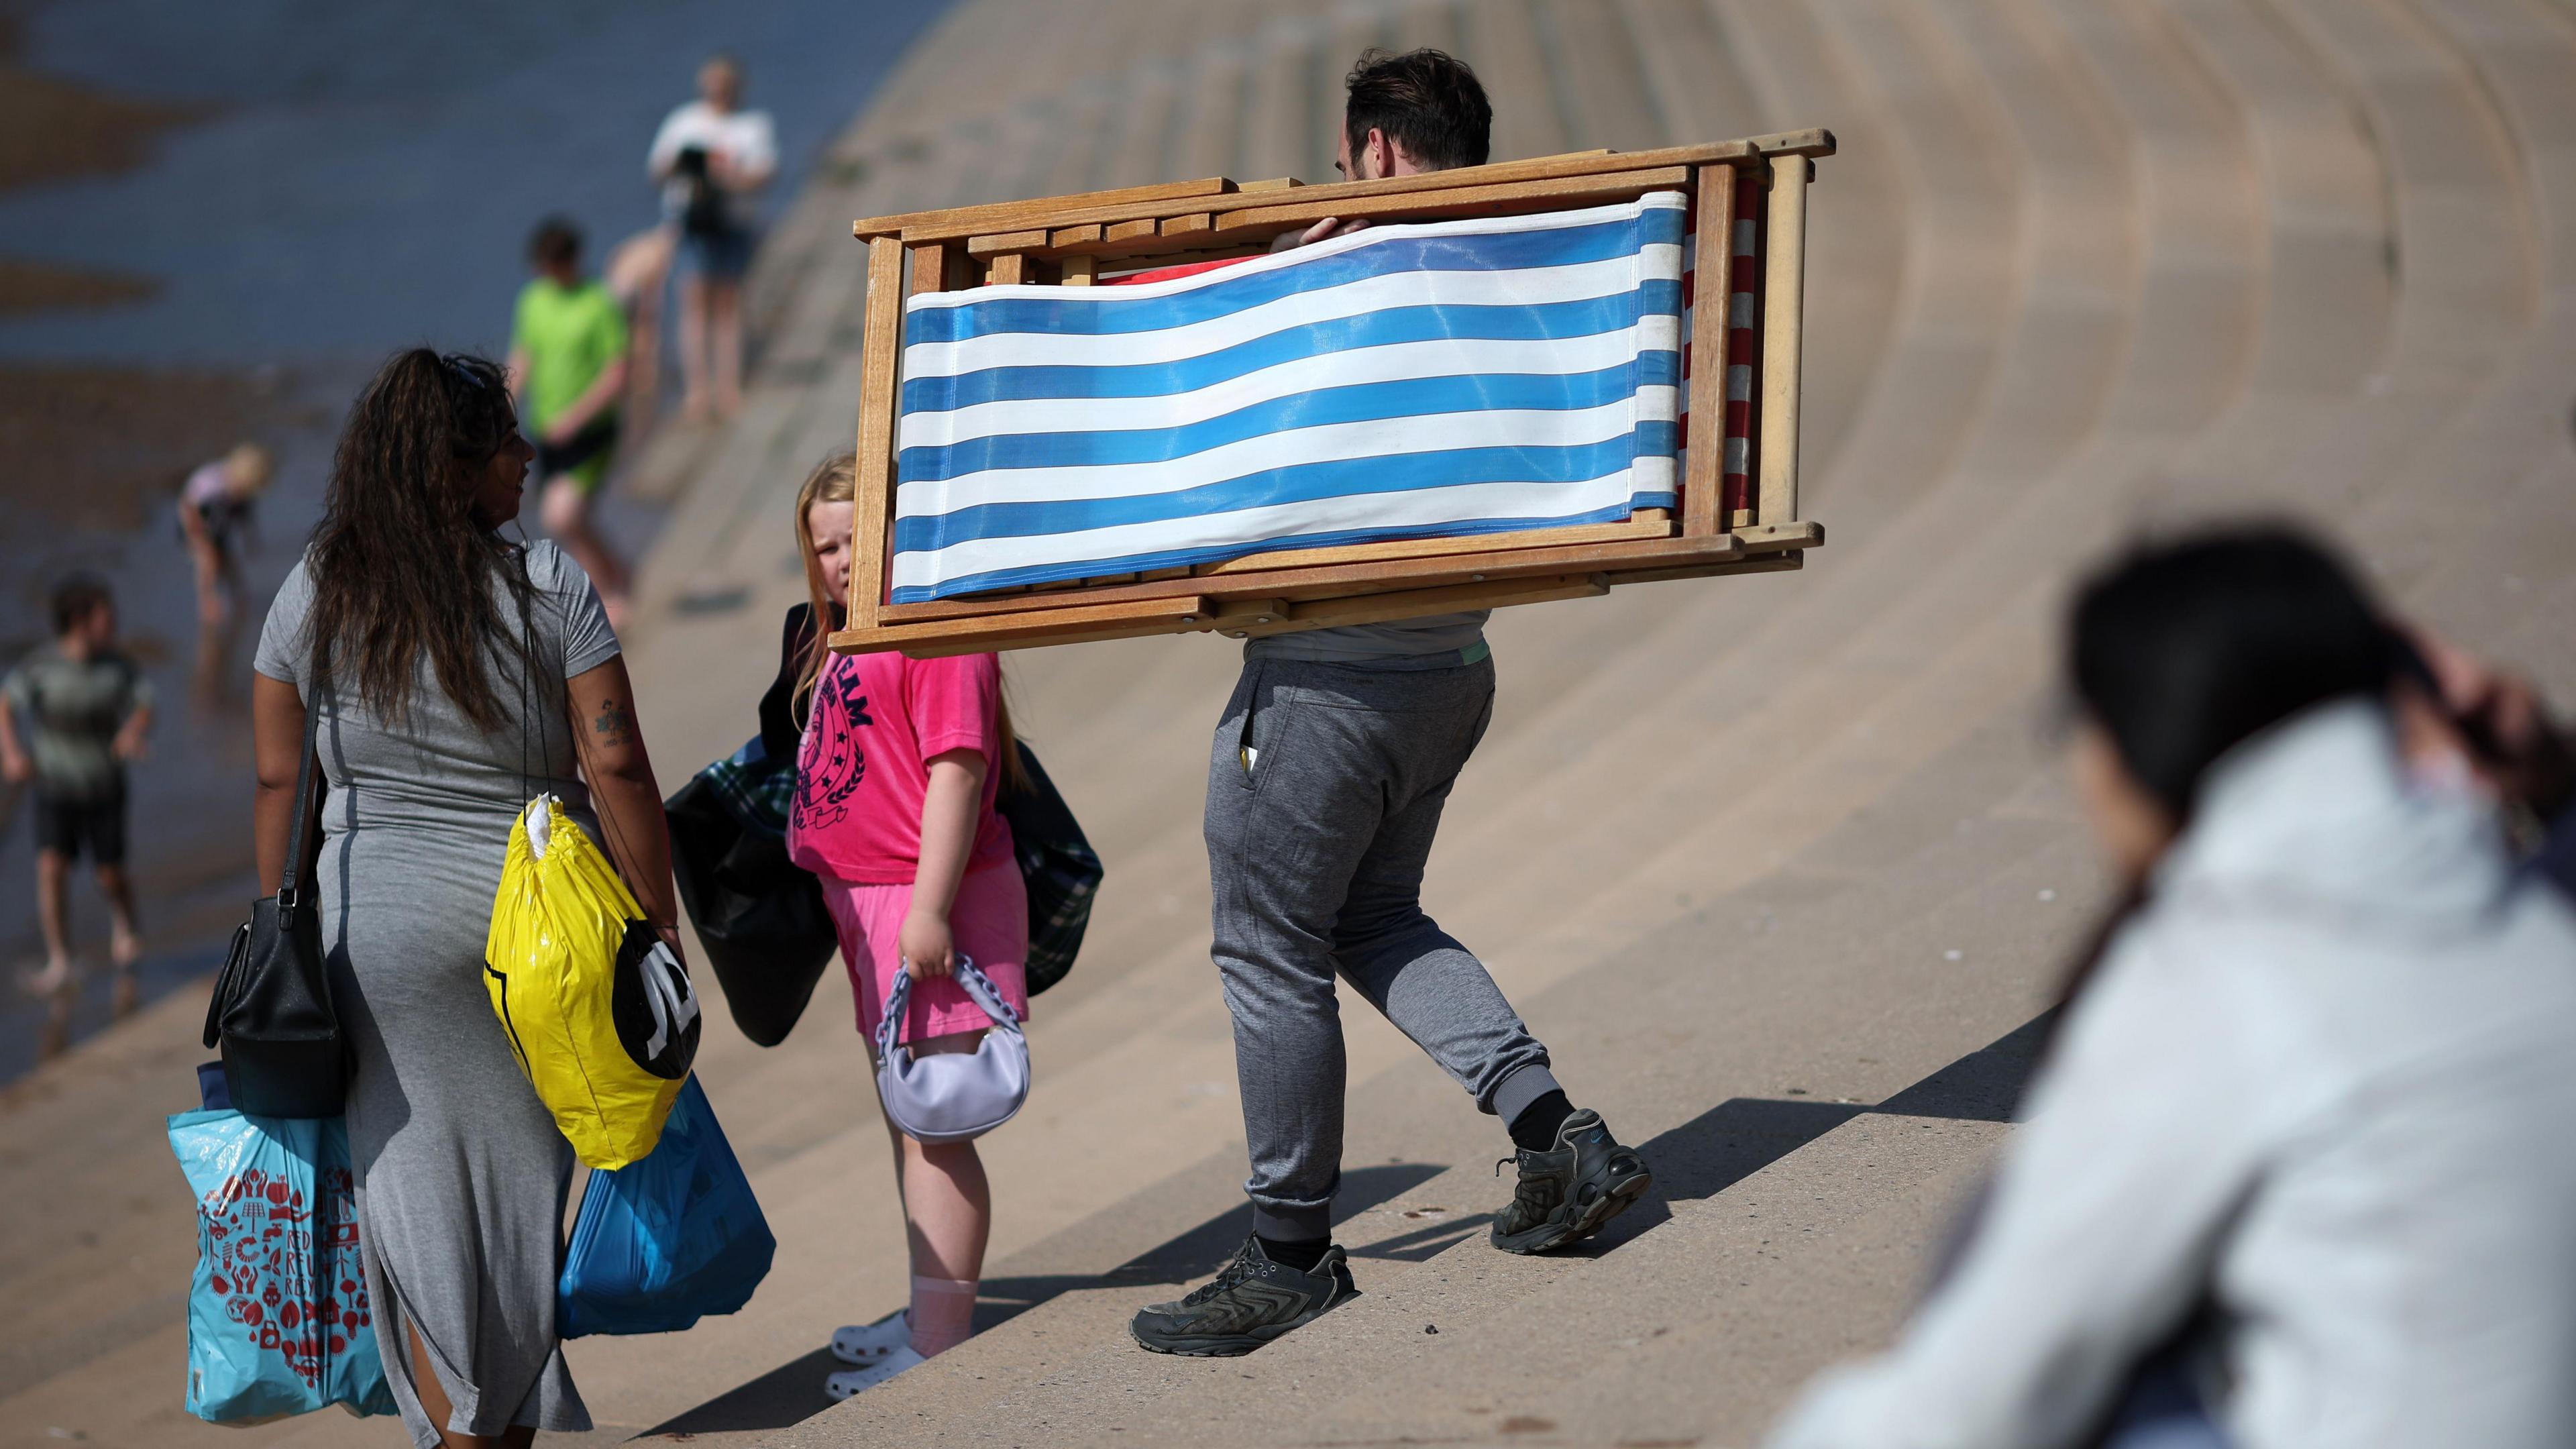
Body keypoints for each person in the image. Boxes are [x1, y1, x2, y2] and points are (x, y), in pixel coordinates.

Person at [1765, 527, 2576, 1449]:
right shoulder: (2531, 916)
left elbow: (1989, 1382)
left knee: (2081, 1340)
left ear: (2133, 742)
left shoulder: (2225, 979)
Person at [1127, 48, 1654, 1360]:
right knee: (1369, 912)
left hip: (1325, 681)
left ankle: (1290, 1249)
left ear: (1372, 151)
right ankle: (1556, 1134)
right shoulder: (1521, 282)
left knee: (1266, 951)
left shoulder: (1356, 273)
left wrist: (1298, 269)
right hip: (1450, 669)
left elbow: (1229, 409)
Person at [252, 349, 682, 1448]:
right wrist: (655, 922)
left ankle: (464, 1430)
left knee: (416, 1209)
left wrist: (275, 929)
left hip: (373, 936)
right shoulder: (548, 583)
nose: (527, 458)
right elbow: (618, 765)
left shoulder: (318, 589)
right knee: (518, 1208)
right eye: (505, 444)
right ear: (451, 467)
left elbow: (274, 777)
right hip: (538, 938)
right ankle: (496, 1426)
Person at [782, 454, 1034, 1399]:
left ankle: (941, 1340)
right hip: (869, 900)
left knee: (937, 1127)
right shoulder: (846, 634)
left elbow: (958, 770)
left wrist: (928, 909)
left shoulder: (936, 632)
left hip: (928, 898)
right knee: (908, 1112)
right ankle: (934, 1304)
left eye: (860, 538)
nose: (844, 561)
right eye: (827, 546)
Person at [2, 574, 152, 1051]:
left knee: (110, 875)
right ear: (80, 621)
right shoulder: (42, 667)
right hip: (55, 787)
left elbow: (146, 700)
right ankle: (60, 960)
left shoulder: (118, 667)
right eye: (106, 614)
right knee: (52, 868)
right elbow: (5, 702)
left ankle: (127, 926)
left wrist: (132, 732)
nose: (115, 622)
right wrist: (11, 753)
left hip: (104, 788)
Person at [508, 217, 633, 623]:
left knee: (561, 516)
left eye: (554, 265)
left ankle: (609, 597)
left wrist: (576, 419)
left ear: (572, 260)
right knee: (572, 519)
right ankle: (619, 574)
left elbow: (618, 374)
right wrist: (502, 404)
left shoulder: (598, 302)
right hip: (548, 433)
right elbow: (524, 358)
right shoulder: (532, 300)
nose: (547, 273)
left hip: (592, 431)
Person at [647, 54, 774, 423]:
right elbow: (658, 171)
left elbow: (764, 175)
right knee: (694, 304)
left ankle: (730, 387)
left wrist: (725, 175)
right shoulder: (684, 121)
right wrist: (684, 166)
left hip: (733, 223)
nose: (717, 92)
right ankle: (697, 391)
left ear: (736, 88)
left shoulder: (753, 125)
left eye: (724, 85)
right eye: (711, 85)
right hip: (692, 225)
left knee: (729, 306)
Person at [178, 442, 272, 627]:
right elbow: (187, 505)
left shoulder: (243, 494)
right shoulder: (212, 484)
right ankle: (207, 603)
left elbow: (247, 519)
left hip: (219, 528)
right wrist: (195, 534)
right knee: (209, 561)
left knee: (229, 562)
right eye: (243, 490)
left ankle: (239, 599)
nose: (243, 495)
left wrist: (250, 541)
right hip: (196, 526)